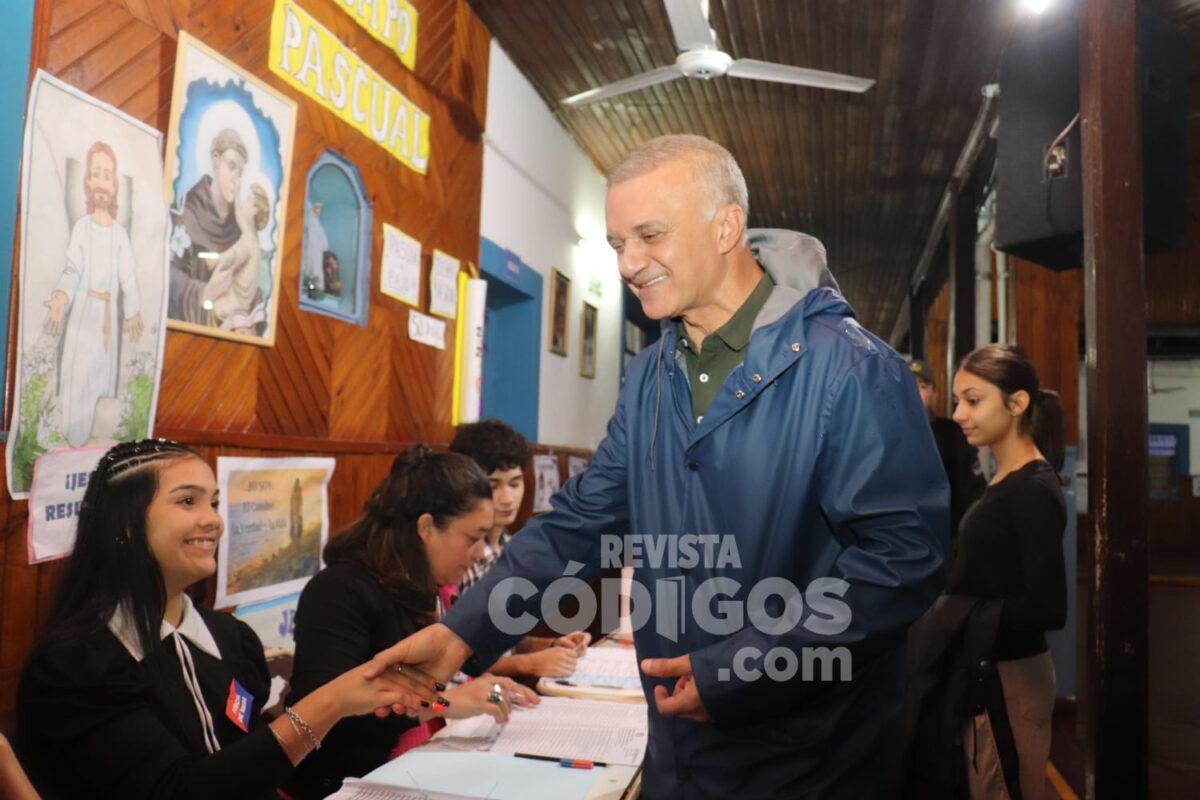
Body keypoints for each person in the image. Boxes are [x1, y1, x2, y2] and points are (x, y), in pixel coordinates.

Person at [368, 134, 949, 798]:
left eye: (649, 235)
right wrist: (459, 633)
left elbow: (904, 560)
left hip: (809, 760)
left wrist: (745, 669)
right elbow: (578, 525)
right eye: (618, 244)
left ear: (725, 226)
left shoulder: (851, 367)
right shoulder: (650, 375)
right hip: (680, 751)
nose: (629, 263)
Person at [13, 439, 438, 800]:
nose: (213, 520)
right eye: (187, 501)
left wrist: (360, 699)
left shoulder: (232, 639)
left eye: (214, 502)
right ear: (124, 523)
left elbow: (248, 763)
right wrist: (330, 701)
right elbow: (181, 792)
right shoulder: (77, 664)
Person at [283, 445, 538, 800]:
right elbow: (326, 725)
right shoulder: (339, 590)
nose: (481, 552)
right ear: (426, 527)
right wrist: (443, 703)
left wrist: (480, 687)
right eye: (473, 538)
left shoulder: (428, 588)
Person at [944, 346, 1066, 798]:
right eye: (957, 401)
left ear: (1016, 404)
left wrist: (956, 614)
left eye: (973, 401)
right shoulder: (1005, 478)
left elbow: (1049, 606)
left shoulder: (1031, 488)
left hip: (1012, 678)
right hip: (992, 671)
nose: (959, 414)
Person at [449, 419, 590, 678]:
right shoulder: (457, 558)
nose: (507, 499)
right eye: (493, 486)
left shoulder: (511, 547)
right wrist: (530, 664)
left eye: (514, 484)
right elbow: (454, 661)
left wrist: (550, 646)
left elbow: (502, 638)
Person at [43, 141, 143, 447]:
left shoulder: (120, 236)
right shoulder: (82, 229)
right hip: (84, 314)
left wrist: (133, 312)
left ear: (114, 186)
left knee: (100, 381)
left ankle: (91, 448)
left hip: (107, 322)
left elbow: (128, 278)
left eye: (107, 175)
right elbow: (72, 269)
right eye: (95, 174)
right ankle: (72, 443)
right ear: (88, 183)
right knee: (77, 379)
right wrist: (60, 298)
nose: (101, 182)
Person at [169, 128, 262, 327]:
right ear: (215, 160)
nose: (236, 179)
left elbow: (251, 286)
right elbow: (167, 274)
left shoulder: (238, 229)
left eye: (240, 171)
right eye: (231, 166)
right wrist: (205, 293)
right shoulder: (186, 214)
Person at [910, 358, 987, 547]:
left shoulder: (953, 435)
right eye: (908, 385)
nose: (914, 393)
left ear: (933, 392)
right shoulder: (885, 436)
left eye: (922, 386)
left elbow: (974, 494)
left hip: (946, 541)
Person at [206, 182, 270, 334]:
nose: (244, 204)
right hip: (242, 304)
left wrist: (216, 260)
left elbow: (235, 254)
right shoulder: (253, 237)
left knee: (207, 308)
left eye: (248, 200)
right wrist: (237, 195)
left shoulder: (248, 240)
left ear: (255, 209)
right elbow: (239, 216)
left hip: (232, 305)